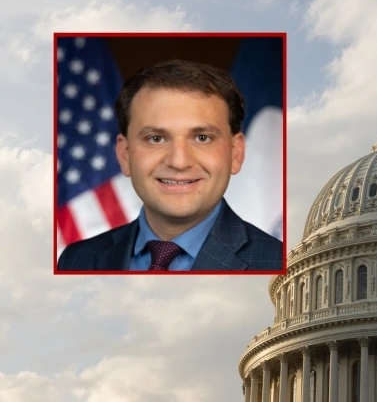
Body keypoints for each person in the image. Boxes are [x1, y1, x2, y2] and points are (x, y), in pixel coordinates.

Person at [57, 59, 284, 272]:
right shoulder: (76, 260)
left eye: (202, 138)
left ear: (236, 153)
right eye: (156, 139)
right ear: (124, 155)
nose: (179, 161)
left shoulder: (278, 263)